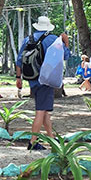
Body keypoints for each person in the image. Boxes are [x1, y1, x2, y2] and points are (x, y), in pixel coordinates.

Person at [16, 16, 70, 151]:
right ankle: (33, 142)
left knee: (44, 110)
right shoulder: (52, 39)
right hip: (45, 79)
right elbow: (66, 55)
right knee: (40, 111)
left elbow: (19, 60)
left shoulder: (28, 39)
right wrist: (66, 42)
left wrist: (18, 78)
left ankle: (51, 138)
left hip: (32, 78)